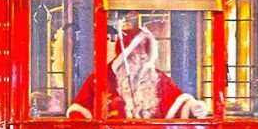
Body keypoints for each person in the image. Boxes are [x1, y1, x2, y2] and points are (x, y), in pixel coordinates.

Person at [67, 23, 209, 120]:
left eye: (144, 47)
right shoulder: (100, 80)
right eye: (136, 47)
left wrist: (193, 106)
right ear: (125, 52)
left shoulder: (159, 79)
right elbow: (79, 111)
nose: (141, 53)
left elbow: (179, 103)